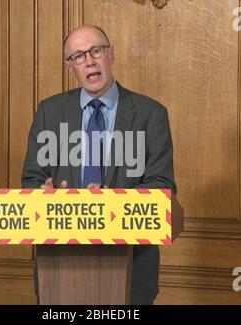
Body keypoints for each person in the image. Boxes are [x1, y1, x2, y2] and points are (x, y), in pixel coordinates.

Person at [21, 25, 176, 305]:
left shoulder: (150, 114)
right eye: (78, 56)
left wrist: (110, 203)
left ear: (111, 54)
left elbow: (162, 187)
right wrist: (44, 195)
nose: (89, 61)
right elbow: (32, 180)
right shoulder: (49, 112)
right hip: (59, 270)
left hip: (131, 269)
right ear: (71, 68)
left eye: (96, 51)